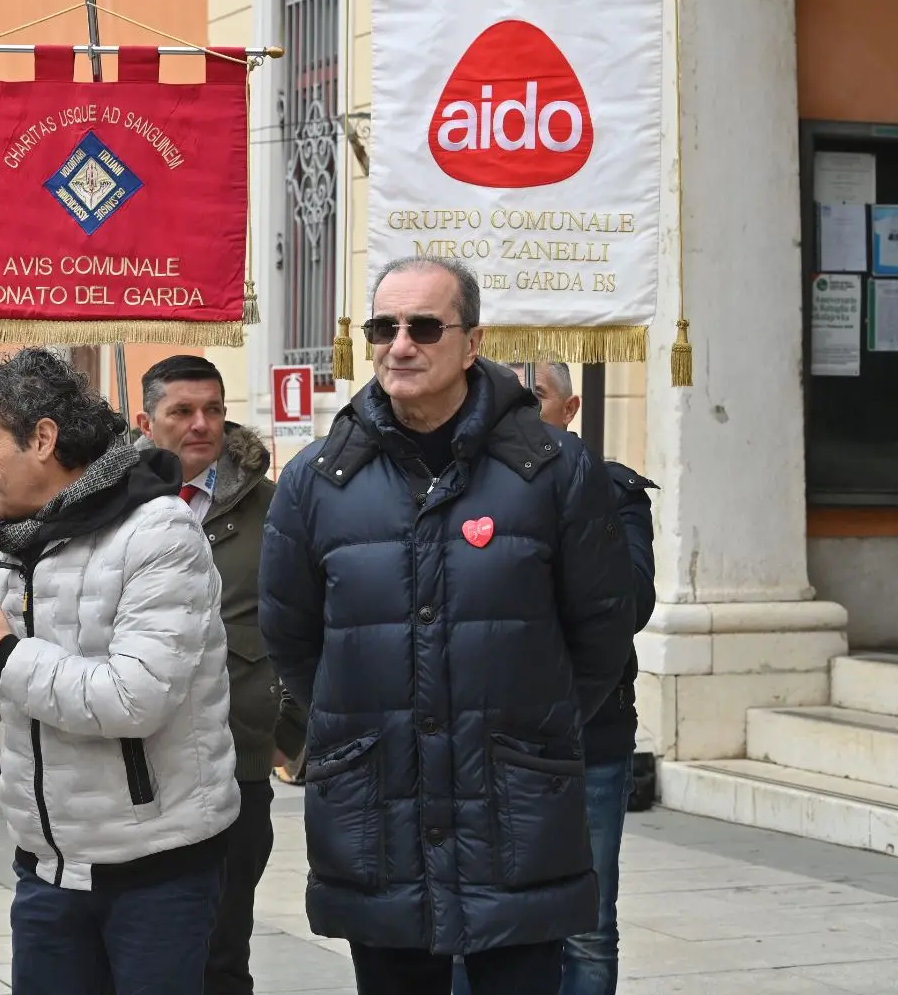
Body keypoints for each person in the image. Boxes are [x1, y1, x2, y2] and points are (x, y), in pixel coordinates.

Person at [259, 257, 637, 995]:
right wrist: (365, 726)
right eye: (384, 327)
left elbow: (600, 631)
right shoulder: (317, 479)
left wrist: (533, 730)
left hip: (516, 812)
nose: (400, 344)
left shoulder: (555, 469)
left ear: (473, 343)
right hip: (379, 813)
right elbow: (291, 638)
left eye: (425, 327)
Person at [0, 347, 239, 995]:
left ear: (44, 439)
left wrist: (5, 654)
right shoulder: (15, 544)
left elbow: (136, 698)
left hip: (157, 872)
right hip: (48, 871)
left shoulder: (159, 533)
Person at [452, 362, 657, 995]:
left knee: (588, 926)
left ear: (569, 412)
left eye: (533, 397)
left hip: (586, 736)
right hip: (476, 739)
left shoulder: (611, 490)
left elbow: (630, 605)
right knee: (467, 923)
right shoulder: (456, 490)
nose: (515, 411)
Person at [134, 354, 278, 995]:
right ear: (146, 423)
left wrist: (285, 730)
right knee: (143, 956)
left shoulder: (271, 508)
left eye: (213, 409)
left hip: (237, 763)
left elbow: (311, 620)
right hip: (136, 764)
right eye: (183, 411)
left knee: (221, 956)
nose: (202, 424)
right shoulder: (108, 504)